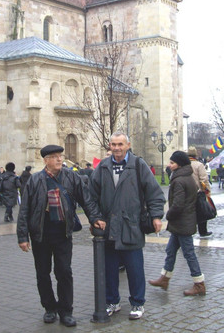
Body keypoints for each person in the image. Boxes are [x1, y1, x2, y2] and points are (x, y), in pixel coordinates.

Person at [17, 144, 105, 327]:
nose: (59, 159)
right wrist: (22, 237)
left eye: (60, 156)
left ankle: (66, 310)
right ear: (46, 160)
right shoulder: (35, 180)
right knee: (43, 273)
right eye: (54, 157)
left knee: (64, 272)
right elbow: (24, 209)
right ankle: (49, 308)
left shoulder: (71, 177)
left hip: (63, 233)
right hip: (40, 234)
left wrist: (94, 217)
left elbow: (85, 198)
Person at [89, 131, 165, 320]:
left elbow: (154, 193)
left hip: (132, 225)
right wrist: (95, 217)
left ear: (128, 145)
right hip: (108, 228)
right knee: (110, 269)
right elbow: (90, 196)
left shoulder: (138, 165)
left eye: (120, 144)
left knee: (134, 269)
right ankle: (112, 301)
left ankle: (137, 303)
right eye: (113, 145)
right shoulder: (103, 167)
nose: (116, 148)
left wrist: (156, 216)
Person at [149, 151, 206, 296]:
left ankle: (199, 283)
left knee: (189, 254)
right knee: (170, 251)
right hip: (182, 223)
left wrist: (168, 214)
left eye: (172, 163)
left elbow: (178, 204)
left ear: (179, 164)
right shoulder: (187, 177)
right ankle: (164, 278)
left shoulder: (180, 180)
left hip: (182, 223)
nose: (169, 165)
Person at [188, 146, 212, 239]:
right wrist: (207, 191)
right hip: (198, 192)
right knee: (202, 212)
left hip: (187, 192)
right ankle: (203, 231)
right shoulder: (199, 165)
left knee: (189, 213)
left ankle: (188, 231)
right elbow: (203, 180)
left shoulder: (184, 164)